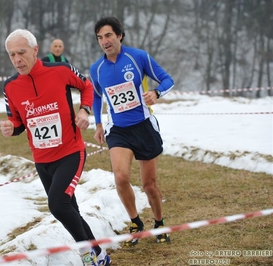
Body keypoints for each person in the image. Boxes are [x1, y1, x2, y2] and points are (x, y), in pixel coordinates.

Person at [0, 29, 111, 266]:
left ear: (35, 50)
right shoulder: (10, 87)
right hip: (41, 160)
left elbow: (87, 87)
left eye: (21, 52)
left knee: (57, 204)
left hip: (71, 152)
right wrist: (11, 127)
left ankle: (87, 253)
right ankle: (99, 255)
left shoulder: (60, 70)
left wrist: (84, 110)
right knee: (69, 209)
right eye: (12, 55)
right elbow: (18, 122)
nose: (17, 60)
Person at [90, 17, 174, 246]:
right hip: (118, 130)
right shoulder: (96, 68)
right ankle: (136, 223)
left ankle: (159, 223)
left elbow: (168, 79)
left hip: (143, 127)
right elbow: (96, 96)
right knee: (121, 177)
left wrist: (156, 93)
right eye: (99, 38)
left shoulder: (138, 57)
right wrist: (98, 123)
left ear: (119, 35)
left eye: (108, 35)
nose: (104, 41)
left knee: (149, 185)